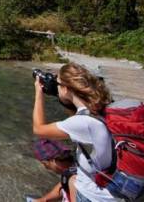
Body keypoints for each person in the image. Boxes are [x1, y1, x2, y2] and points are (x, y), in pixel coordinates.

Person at [32, 62, 119, 202]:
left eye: (58, 84)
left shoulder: (84, 123)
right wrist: (63, 95)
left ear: (66, 89)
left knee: (71, 180)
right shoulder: (101, 109)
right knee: (71, 179)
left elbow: (39, 129)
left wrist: (39, 92)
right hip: (109, 183)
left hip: (93, 196)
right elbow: (77, 113)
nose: (56, 87)